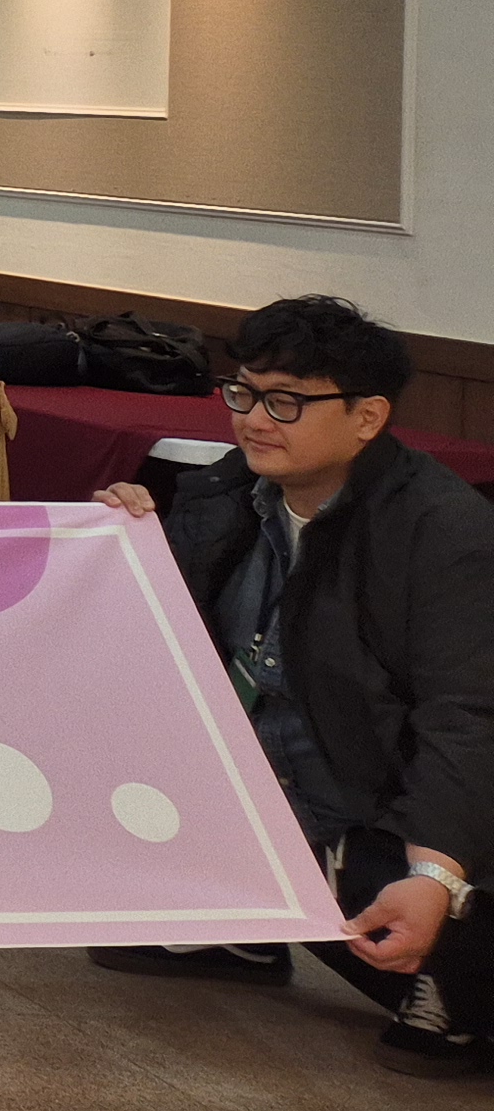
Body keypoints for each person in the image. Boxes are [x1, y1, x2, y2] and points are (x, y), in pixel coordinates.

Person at [88, 298, 492, 1066]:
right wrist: (122, 542)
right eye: (242, 392)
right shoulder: (226, 491)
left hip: (379, 804)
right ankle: (246, 922)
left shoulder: (443, 529)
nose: (253, 420)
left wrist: (436, 872)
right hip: (273, 785)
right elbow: (160, 648)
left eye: (287, 402)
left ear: (368, 416)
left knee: (434, 938)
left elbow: (467, 715)